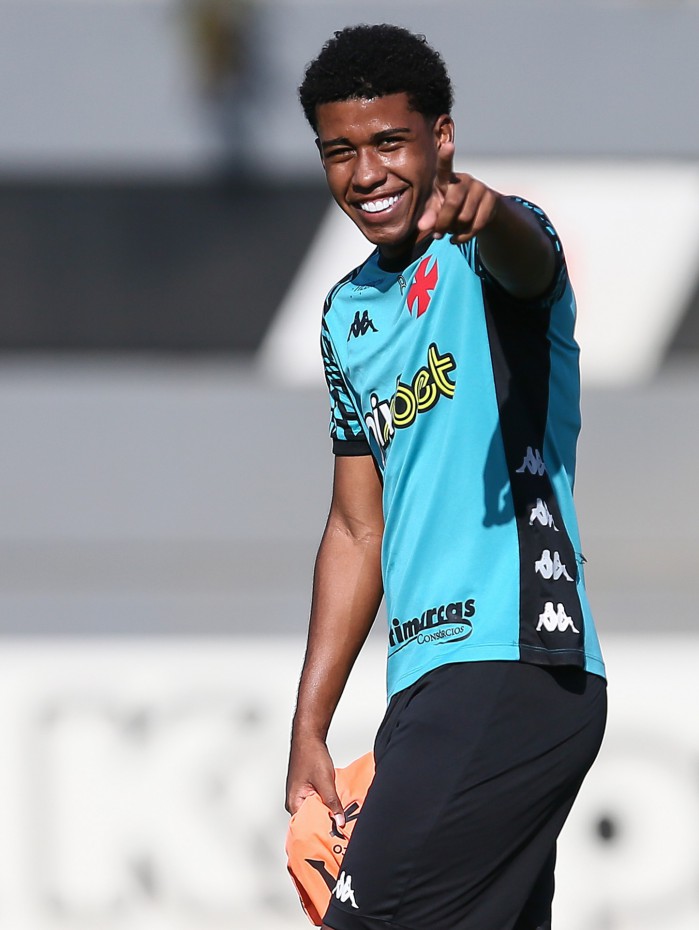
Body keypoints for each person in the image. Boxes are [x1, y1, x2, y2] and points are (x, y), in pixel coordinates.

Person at [285, 23, 607, 930]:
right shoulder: (346, 313)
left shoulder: (491, 246)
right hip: (424, 685)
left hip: (516, 662)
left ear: (441, 139)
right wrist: (311, 725)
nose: (365, 173)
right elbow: (356, 527)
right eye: (339, 151)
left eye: (390, 142)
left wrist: (485, 208)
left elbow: (528, 259)